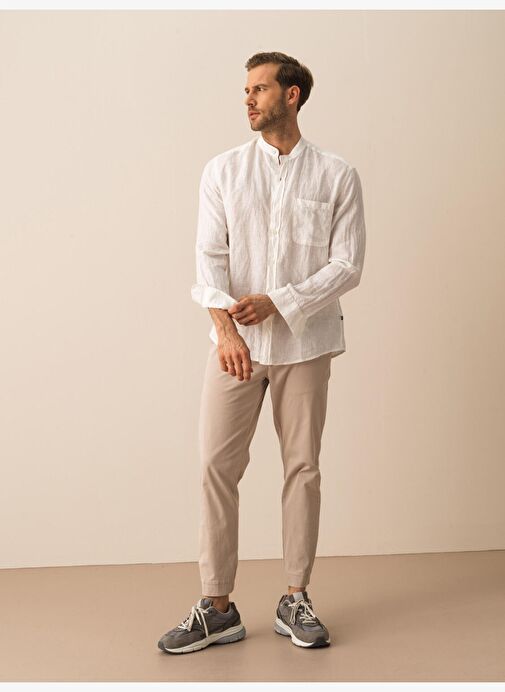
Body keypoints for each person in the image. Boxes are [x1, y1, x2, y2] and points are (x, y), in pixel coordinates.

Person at [158, 51, 366, 655]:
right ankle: (217, 607)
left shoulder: (337, 175)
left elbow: (348, 264)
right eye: (245, 89)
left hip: (306, 344)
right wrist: (226, 332)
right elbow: (209, 261)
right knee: (215, 467)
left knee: (302, 468)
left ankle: (295, 597)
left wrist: (281, 301)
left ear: (292, 95)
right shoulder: (223, 171)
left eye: (259, 88)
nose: (247, 98)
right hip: (236, 348)